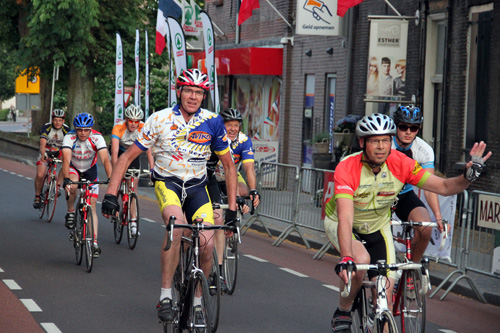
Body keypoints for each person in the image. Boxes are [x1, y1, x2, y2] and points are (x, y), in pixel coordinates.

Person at [324, 113, 491, 332]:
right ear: (363, 142)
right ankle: (343, 311)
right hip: (343, 223)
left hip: (377, 226)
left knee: (385, 293)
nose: (382, 147)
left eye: (386, 140)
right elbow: (345, 218)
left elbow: (444, 187)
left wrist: (468, 176)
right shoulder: (347, 167)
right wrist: (346, 256)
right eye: (375, 141)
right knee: (360, 262)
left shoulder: (400, 163)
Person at [100, 68, 238, 322]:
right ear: (179, 91)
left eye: (199, 92)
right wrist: (111, 194)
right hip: (168, 183)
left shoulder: (213, 121)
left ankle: (197, 299)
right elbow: (126, 157)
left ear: (203, 95)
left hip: (197, 186)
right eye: (189, 91)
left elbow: (229, 167)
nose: (193, 97)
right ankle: (165, 295)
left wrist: (232, 210)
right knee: (175, 227)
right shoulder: (159, 119)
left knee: (207, 243)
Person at [207, 107, 261, 291]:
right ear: (222, 125)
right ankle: (218, 269)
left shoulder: (244, 141)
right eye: (228, 125)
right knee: (217, 217)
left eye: (235, 125)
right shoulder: (215, 138)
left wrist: (254, 191)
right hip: (213, 177)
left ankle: (237, 212)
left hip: (231, 176)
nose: (232, 129)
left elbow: (249, 168)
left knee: (243, 190)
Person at [391, 105, 443, 264]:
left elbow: (429, 185)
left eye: (413, 128)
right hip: (380, 195)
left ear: (418, 129)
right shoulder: (385, 143)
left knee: (426, 228)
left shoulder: (424, 150)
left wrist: (438, 216)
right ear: (396, 126)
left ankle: (411, 268)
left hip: (404, 194)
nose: (408, 132)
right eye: (403, 127)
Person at [61, 113, 112, 258]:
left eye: (86, 130)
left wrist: (110, 178)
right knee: (73, 186)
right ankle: (71, 212)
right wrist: (66, 179)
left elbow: (105, 160)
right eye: (79, 130)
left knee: (93, 206)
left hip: (90, 170)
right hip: (74, 168)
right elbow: (65, 160)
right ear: (75, 129)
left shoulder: (97, 138)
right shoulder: (69, 137)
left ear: (91, 129)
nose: (83, 133)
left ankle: (94, 243)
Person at [110, 104, 154, 236]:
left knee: (133, 186)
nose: (134, 124)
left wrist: (152, 169)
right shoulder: (118, 128)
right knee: (117, 182)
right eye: (131, 121)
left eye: (136, 121)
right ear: (126, 119)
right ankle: (115, 204)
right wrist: (115, 173)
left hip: (134, 156)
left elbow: (149, 152)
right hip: (120, 154)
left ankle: (133, 221)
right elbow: (114, 151)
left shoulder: (143, 128)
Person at [33, 109, 70, 209]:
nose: (58, 123)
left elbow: (69, 146)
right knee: (40, 174)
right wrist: (43, 154)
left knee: (67, 162)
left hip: (59, 152)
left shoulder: (67, 130)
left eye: (60, 120)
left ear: (63, 121)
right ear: (52, 120)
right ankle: (37, 196)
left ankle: (57, 186)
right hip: (46, 150)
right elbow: (42, 143)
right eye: (56, 120)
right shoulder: (46, 127)